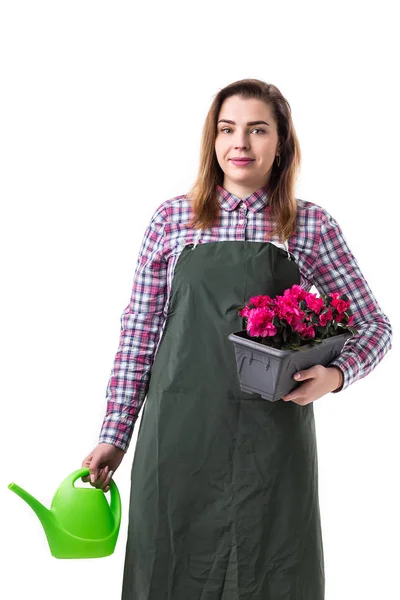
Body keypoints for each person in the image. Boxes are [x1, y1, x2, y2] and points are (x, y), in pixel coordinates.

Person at [81, 79, 392, 599]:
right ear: (213, 140)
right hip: (178, 435)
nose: (240, 143)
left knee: (273, 572)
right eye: (228, 129)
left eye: (257, 129)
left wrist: (335, 376)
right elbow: (138, 334)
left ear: (281, 142)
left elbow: (374, 325)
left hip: (272, 439)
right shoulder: (173, 219)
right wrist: (116, 435)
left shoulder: (309, 225)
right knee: (169, 569)